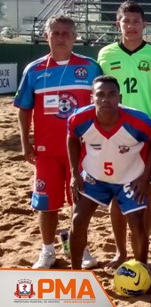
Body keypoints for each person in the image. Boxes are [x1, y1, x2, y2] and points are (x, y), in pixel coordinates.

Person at [15, 14, 102, 269]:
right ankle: (48, 250)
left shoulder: (90, 67)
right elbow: (23, 108)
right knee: (47, 203)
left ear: (75, 37)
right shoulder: (34, 70)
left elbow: (104, 105)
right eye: (56, 33)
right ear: (46, 36)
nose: (61, 37)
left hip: (81, 150)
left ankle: (81, 248)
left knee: (81, 203)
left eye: (66, 33)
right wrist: (25, 142)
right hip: (46, 151)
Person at [67, 76, 151, 269]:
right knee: (78, 218)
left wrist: (145, 177)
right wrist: (75, 173)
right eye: (100, 94)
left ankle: (141, 271)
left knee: (136, 222)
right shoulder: (79, 119)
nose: (105, 99)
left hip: (130, 177)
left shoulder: (138, 121)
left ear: (120, 97)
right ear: (92, 97)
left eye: (111, 94)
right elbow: (72, 138)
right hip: (95, 177)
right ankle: (75, 272)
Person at [97, 0, 151, 269]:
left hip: (145, 133)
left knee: (143, 193)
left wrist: (148, 112)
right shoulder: (105, 55)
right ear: (118, 24)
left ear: (144, 24)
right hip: (113, 134)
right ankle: (121, 252)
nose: (131, 26)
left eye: (136, 21)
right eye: (126, 21)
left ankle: (142, 251)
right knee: (116, 195)